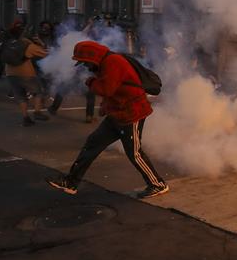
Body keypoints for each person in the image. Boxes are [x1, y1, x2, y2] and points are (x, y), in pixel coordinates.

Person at [47, 40, 168, 199]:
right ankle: (71, 182)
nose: (85, 67)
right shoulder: (105, 62)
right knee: (92, 143)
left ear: (92, 58)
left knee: (134, 153)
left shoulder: (112, 62)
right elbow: (114, 89)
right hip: (117, 113)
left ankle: (158, 184)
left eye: (84, 63)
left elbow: (106, 89)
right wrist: (106, 106)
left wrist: (91, 82)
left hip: (132, 113)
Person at [2, 20, 49, 126]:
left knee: (21, 96)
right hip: (25, 73)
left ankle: (26, 118)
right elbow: (44, 53)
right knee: (38, 92)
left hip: (10, 73)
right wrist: (41, 43)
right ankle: (37, 112)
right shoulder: (26, 43)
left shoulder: (8, 42)